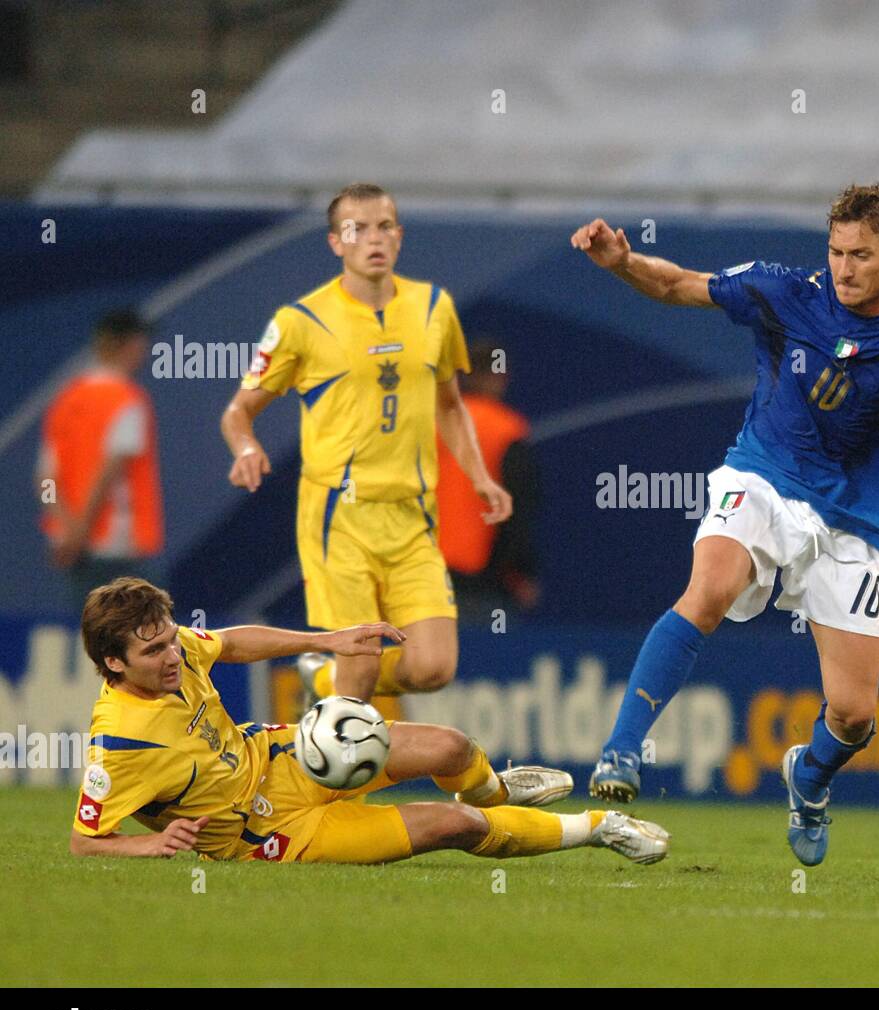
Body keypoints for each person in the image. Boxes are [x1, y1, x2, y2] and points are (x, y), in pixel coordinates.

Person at [570, 182, 879, 866]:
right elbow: (678, 286)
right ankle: (622, 747)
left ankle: (810, 775)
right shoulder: (787, 292)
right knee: (708, 589)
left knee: (853, 715)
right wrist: (621, 261)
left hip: (852, 520)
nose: (845, 269)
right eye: (837, 251)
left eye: (862, 256)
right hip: (762, 477)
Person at [69, 577, 668, 865]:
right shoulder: (119, 742)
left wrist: (331, 640)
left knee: (451, 749)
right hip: (269, 836)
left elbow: (232, 643)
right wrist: (150, 845)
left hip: (284, 757)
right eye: (154, 653)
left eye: (173, 642)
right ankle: (600, 826)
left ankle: (504, 788)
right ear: (113, 662)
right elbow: (84, 842)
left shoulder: (174, 651)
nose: (174, 656)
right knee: (454, 823)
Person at [220, 183, 511, 704]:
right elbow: (238, 411)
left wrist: (480, 477)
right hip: (339, 516)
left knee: (432, 667)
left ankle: (323, 678)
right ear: (336, 242)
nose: (372, 238)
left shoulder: (433, 308)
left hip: (411, 515)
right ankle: (336, 770)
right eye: (357, 229)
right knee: (361, 665)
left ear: (398, 237)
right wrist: (245, 448)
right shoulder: (300, 323)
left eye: (383, 226)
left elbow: (449, 405)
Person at [38, 308, 164, 603]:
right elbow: (109, 472)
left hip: (73, 542)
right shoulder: (125, 399)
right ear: (127, 345)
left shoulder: (68, 398)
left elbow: (46, 478)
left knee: (89, 628)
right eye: (140, 342)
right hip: (115, 543)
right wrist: (81, 530)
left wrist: (62, 524)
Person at [436, 340, 542, 623]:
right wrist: (521, 572)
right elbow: (518, 508)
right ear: (498, 377)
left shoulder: (429, 421)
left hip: (420, 572)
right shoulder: (506, 429)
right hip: (480, 578)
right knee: (481, 660)